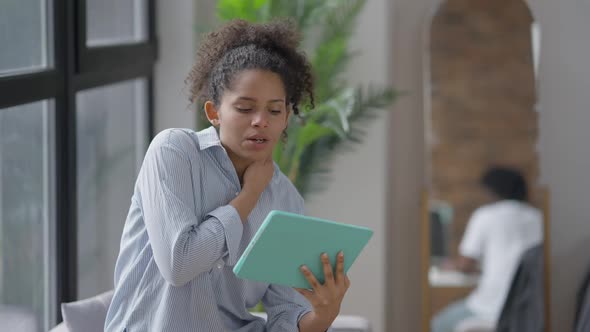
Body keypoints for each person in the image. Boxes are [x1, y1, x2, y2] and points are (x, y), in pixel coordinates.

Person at [105, 19, 350, 332]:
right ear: (214, 112)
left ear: (287, 116)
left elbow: (285, 316)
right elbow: (179, 265)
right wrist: (248, 197)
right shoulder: (174, 152)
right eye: (245, 108)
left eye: (274, 110)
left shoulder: (286, 200)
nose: (260, 121)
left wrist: (323, 316)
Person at [431, 166, 543, 332]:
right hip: (528, 308)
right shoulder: (537, 217)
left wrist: (450, 265)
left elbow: (466, 264)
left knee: (438, 324)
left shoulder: (485, 215)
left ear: (493, 191)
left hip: (490, 307)